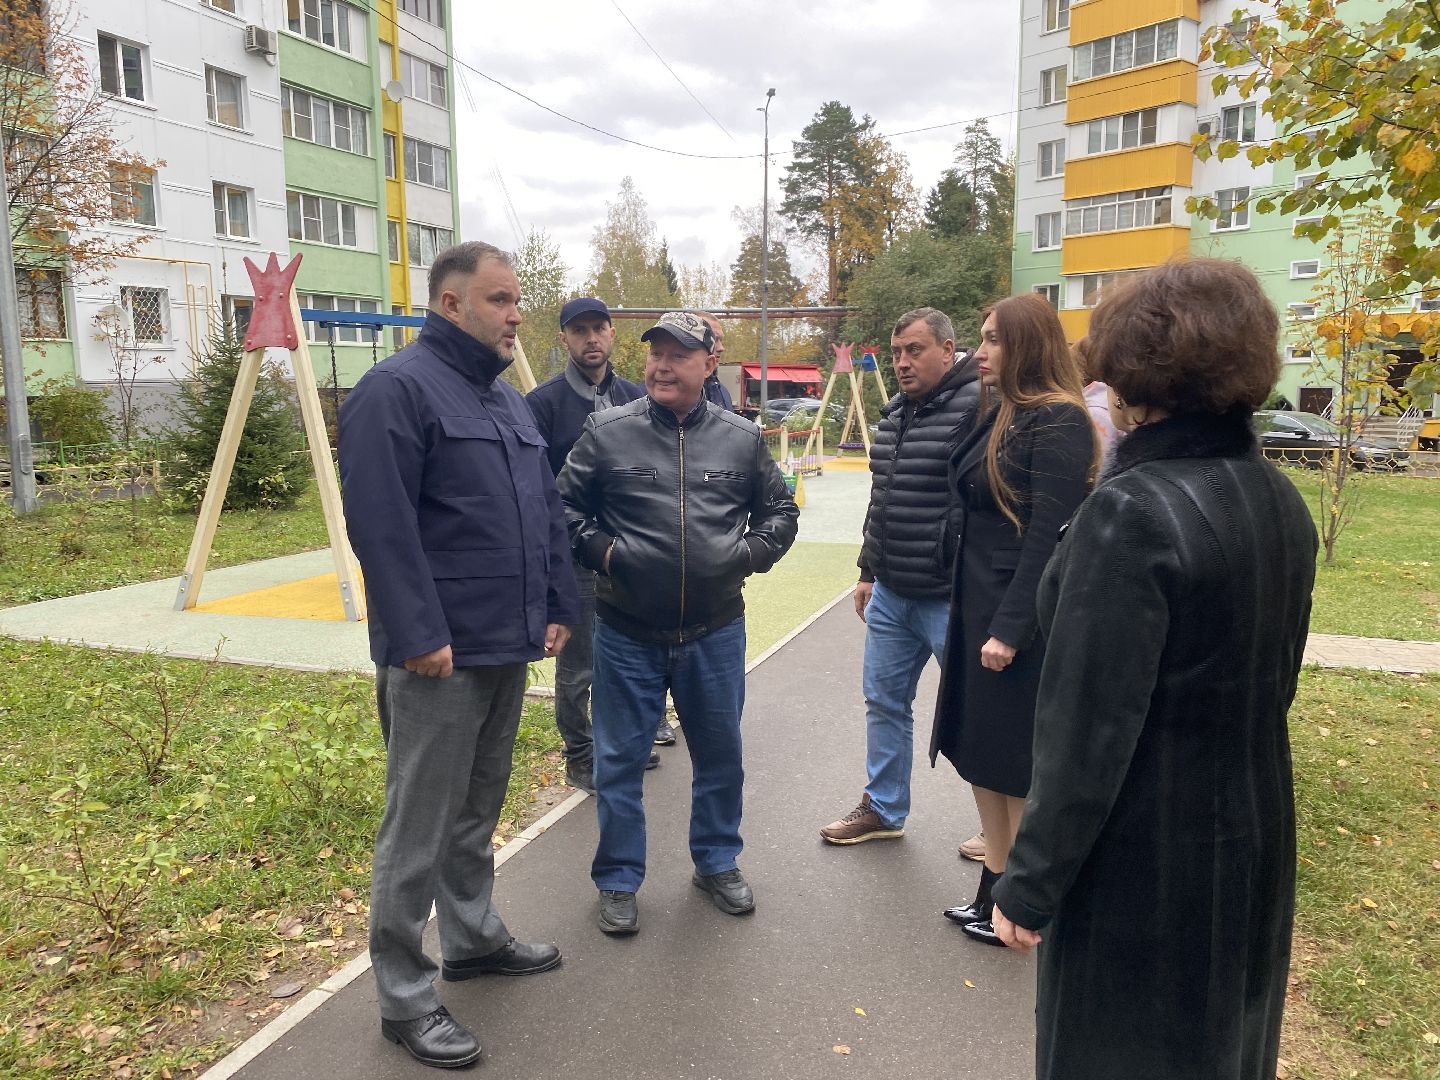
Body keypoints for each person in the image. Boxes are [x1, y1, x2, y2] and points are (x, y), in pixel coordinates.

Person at [991, 260, 1318, 1080]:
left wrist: (1028, 884)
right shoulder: (1279, 497)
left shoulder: (1132, 513)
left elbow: (1087, 728)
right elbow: (1276, 681)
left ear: (1131, 365)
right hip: (1255, 835)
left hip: (1147, 858)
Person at [338, 241, 579, 1070]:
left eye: (517, 300)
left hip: (504, 640)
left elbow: (544, 512)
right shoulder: (394, 392)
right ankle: (403, 997)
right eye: (502, 299)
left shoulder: (507, 402)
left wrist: (557, 604)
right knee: (419, 824)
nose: (517, 314)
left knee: (476, 809)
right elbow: (381, 525)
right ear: (451, 305)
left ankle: (472, 939)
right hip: (438, 654)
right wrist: (417, 636)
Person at [558, 310, 799, 935]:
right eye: (655, 353)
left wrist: (746, 555)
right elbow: (558, 508)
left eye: (678, 355)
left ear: (708, 362)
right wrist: (606, 552)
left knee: (721, 757)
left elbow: (780, 511)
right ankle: (617, 878)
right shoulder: (607, 432)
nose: (661, 365)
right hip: (626, 632)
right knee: (618, 762)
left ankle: (717, 863)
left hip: (715, 632)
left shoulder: (741, 438)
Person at [930, 293, 1097, 946]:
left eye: (995, 340)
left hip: (1012, 620)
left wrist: (1011, 629)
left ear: (1028, 345)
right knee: (981, 756)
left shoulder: (1059, 422)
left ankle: (1021, 901)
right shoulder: (1007, 412)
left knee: (1014, 767)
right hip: (976, 608)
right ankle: (992, 889)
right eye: (981, 338)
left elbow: (1045, 541)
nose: (980, 352)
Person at [820, 307, 981, 848]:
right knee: (885, 703)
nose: (903, 362)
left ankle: (1004, 826)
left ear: (948, 349)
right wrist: (868, 571)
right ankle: (884, 809)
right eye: (896, 353)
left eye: (915, 350)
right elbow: (882, 500)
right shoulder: (894, 414)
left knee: (980, 714)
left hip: (951, 597)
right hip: (891, 592)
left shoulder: (980, 407)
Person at [525, 297, 655, 791]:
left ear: (612, 334)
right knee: (577, 666)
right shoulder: (542, 404)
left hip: (629, 551)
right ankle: (580, 754)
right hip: (573, 553)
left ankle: (620, 746)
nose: (591, 338)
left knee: (626, 656)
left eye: (599, 328)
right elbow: (537, 487)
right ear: (564, 339)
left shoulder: (636, 397)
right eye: (580, 331)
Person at [699, 311, 735, 411]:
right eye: (714, 339)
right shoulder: (673, 394)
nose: (721, 348)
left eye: (721, 340)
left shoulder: (722, 392)